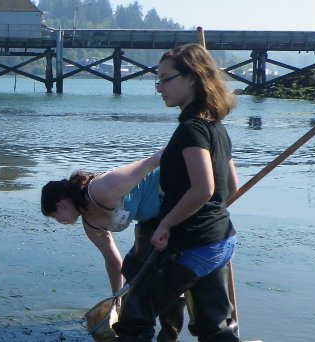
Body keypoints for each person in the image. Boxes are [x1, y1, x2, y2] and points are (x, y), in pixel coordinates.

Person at [112, 43, 240, 341]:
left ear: (192, 78)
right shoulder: (216, 127)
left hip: (191, 245)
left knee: (135, 316)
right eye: (158, 80)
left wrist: (168, 223)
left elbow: (204, 188)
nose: (159, 88)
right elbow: (230, 188)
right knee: (214, 324)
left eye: (165, 79)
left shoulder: (191, 129)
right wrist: (209, 219)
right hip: (219, 240)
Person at [40, 152, 186, 342]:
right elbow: (113, 261)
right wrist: (115, 299)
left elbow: (153, 161)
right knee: (132, 271)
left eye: (54, 217)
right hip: (151, 221)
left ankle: (169, 335)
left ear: (60, 206)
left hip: (176, 201)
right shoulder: (91, 225)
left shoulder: (101, 189)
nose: (58, 222)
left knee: (166, 277)